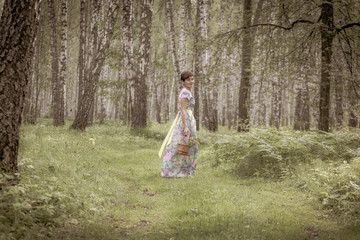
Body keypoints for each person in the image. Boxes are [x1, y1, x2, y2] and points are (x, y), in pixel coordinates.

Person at [159, 71, 198, 177]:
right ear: (183, 82)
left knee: (188, 145)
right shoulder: (185, 93)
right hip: (186, 120)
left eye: (192, 79)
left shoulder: (187, 92)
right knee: (180, 145)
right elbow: (183, 110)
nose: (191, 81)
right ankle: (173, 171)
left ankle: (184, 171)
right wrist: (185, 126)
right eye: (189, 80)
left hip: (189, 119)